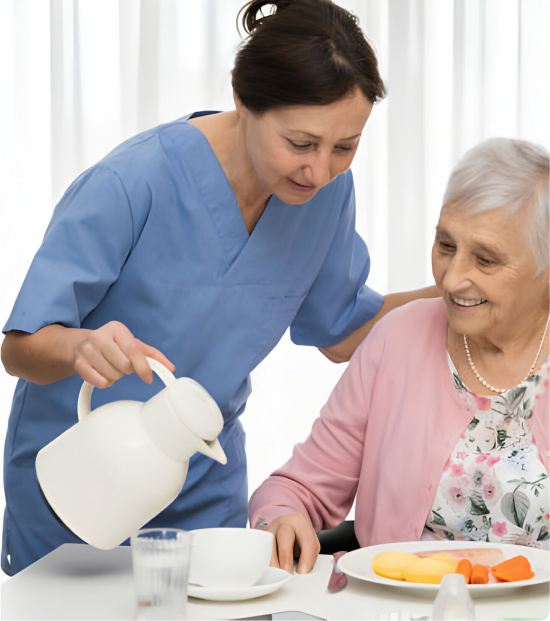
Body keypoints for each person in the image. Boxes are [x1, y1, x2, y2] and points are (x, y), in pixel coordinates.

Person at [0, 0, 437, 575]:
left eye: (345, 146)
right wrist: (78, 347)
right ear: (243, 100)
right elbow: (19, 347)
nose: (320, 170)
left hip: (203, 483)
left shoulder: (326, 193)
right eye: (301, 143)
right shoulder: (131, 182)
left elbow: (342, 328)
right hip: (82, 478)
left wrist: (466, 288)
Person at [249, 137, 550, 574]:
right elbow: (295, 489)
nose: (452, 279)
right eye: (446, 246)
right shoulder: (398, 339)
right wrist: (280, 517)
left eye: (485, 259)